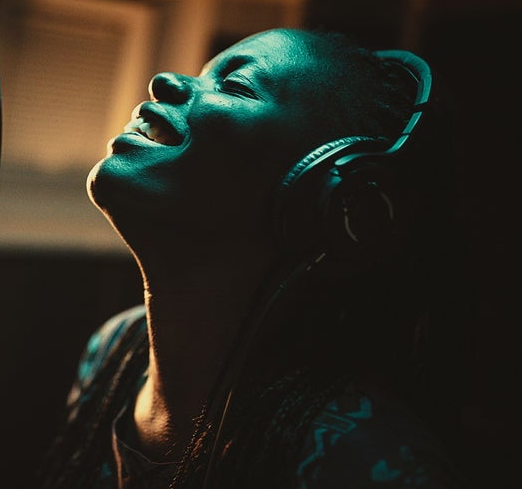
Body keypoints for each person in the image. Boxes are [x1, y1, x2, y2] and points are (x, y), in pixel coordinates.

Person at [35, 28, 472, 488]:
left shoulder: (368, 463)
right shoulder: (112, 351)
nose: (165, 81)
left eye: (236, 86)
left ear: (321, 195)